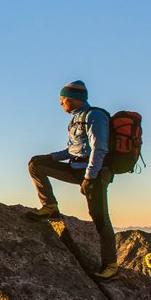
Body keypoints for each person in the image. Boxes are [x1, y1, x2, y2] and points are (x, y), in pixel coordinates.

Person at [27, 79, 119, 281]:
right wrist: (50, 157)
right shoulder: (76, 119)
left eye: (63, 99)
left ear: (74, 99)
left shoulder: (94, 116)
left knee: (100, 217)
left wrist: (89, 177)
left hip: (94, 173)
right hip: (76, 167)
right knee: (36, 164)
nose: (61, 103)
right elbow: (73, 150)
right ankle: (49, 206)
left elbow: (99, 148)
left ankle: (111, 265)